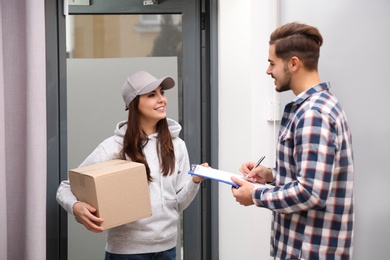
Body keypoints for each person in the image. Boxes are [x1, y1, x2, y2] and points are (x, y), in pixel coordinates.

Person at [231, 22, 354, 259]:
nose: (268, 71)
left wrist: (255, 195)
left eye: (271, 63)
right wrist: (271, 176)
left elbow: (311, 192)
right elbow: (314, 177)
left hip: (309, 251)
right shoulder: (315, 107)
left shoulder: (313, 114)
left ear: (293, 63)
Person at [56, 70, 204, 260]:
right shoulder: (114, 147)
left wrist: (195, 181)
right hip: (127, 254)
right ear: (134, 104)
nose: (162, 100)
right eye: (152, 95)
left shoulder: (177, 145)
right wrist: (76, 206)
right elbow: (65, 187)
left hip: (167, 250)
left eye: (162, 93)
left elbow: (177, 204)